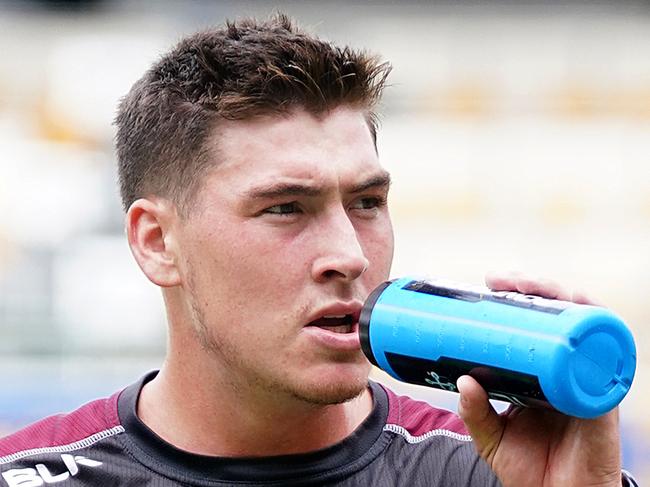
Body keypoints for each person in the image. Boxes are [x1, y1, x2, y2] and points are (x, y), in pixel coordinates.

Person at [0, 14, 638, 487]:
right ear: (157, 241)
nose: (349, 254)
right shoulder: (33, 475)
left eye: (366, 203)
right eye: (284, 208)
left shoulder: (493, 470)